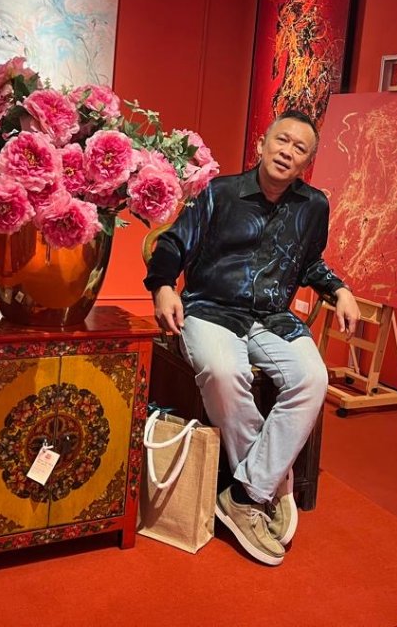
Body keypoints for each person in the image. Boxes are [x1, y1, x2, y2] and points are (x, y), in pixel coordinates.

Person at [144, 110, 360, 566]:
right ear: (262, 144)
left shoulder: (313, 206)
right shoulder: (218, 193)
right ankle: (267, 483)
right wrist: (163, 286)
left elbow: (309, 264)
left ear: (307, 164)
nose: (287, 152)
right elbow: (173, 243)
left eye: (300, 149)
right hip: (212, 307)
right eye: (282, 141)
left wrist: (339, 290)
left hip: (272, 317)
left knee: (313, 379)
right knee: (223, 371)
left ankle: (244, 494)